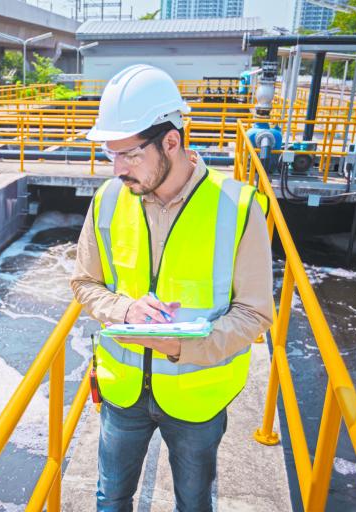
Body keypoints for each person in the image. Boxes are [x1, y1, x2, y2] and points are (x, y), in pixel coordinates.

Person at [70, 64, 274, 512]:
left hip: (197, 399)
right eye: (111, 154)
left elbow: (255, 314)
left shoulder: (238, 207)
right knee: (110, 498)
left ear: (171, 141)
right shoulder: (107, 199)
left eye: (131, 154)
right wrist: (123, 309)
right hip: (122, 392)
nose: (118, 169)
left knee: (193, 502)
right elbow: (85, 282)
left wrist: (180, 348)